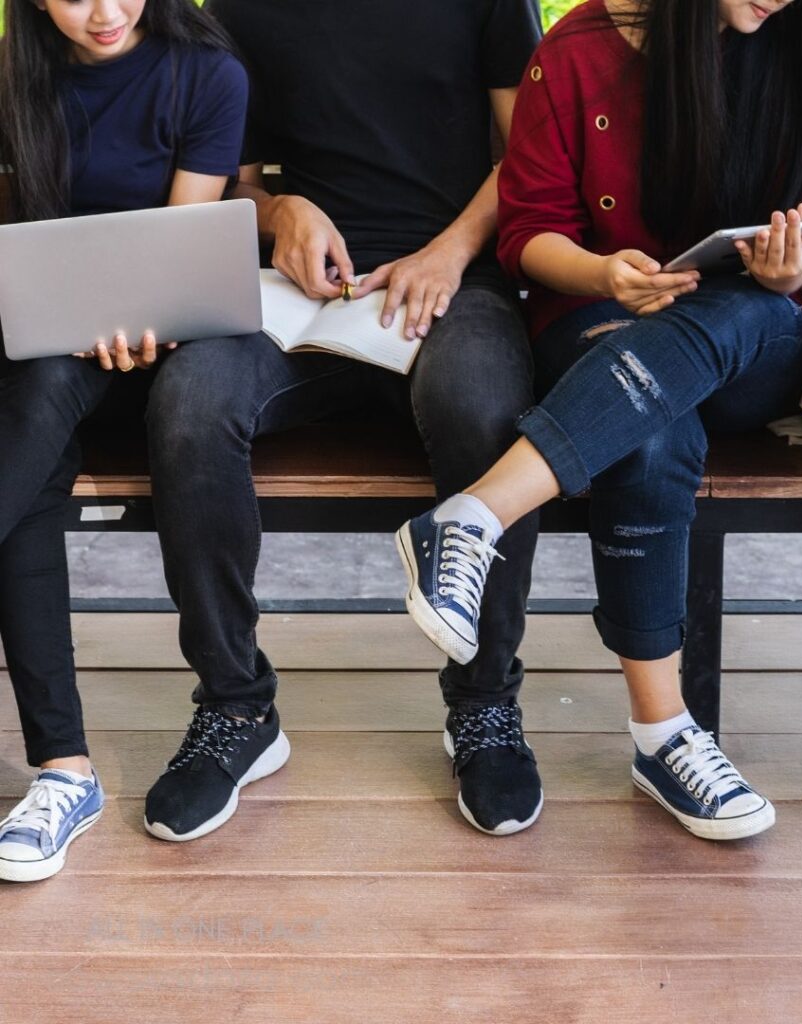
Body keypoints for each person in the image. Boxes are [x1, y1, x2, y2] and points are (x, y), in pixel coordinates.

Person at [398, 0, 802, 841]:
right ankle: (663, 734)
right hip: (599, 315)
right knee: (653, 423)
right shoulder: (577, 51)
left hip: (753, 337)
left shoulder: (800, 40)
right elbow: (528, 234)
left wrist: (786, 267)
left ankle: (475, 513)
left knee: (740, 320)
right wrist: (603, 274)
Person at [141, 0, 545, 843]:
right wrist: (280, 213)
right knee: (189, 405)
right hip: (303, 292)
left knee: (482, 406)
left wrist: (450, 251)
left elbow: (525, 157)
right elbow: (236, 180)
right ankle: (235, 706)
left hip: (450, 278)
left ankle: (483, 705)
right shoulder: (243, 8)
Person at [0, 0, 247, 881]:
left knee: (24, 422)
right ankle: (64, 776)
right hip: (37, 347)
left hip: (150, 349)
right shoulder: (13, 78)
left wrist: (126, 313)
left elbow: (175, 258)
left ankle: (63, 770)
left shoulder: (207, 75)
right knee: (27, 434)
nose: (106, 12)